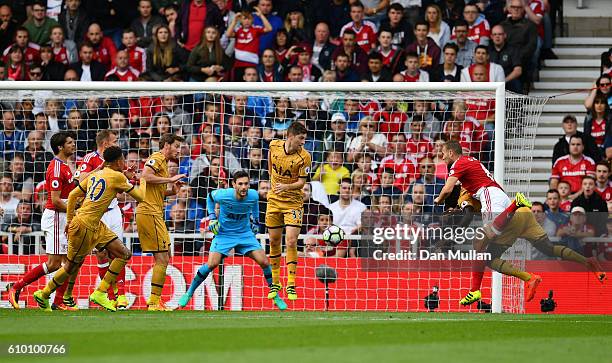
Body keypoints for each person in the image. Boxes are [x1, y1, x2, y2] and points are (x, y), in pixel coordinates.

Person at [32, 146, 144, 312]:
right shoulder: (117, 176)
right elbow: (141, 197)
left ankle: (99, 292)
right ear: (119, 161)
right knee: (71, 266)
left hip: (95, 225)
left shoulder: (97, 174)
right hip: (85, 225)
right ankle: (44, 293)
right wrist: (144, 179)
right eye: (123, 159)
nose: (125, 163)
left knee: (124, 254)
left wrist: (70, 220)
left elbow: (72, 196)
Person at [455, 191, 606, 306]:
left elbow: (469, 212)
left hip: (511, 220)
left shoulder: (465, 190)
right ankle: (588, 261)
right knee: (549, 248)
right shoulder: (481, 181)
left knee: (488, 258)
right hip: (525, 213)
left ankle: (529, 278)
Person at [178, 170, 286, 309]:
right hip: (224, 234)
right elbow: (209, 198)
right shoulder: (224, 195)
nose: (244, 187)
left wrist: (256, 222)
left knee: (264, 261)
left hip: (244, 234)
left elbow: (255, 206)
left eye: (246, 184)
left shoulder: (253, 195)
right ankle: (189, 293)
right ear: (233, 184)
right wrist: (212, 218)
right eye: (240, 184)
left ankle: (275, 296)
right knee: (211, 264)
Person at [7, 132, 78, 310]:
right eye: (69, 143)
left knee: (67, 262)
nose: (73, 145)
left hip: (63, 217)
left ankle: (57, 301)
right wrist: (75, 210)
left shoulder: (65, 165)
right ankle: (16, 287)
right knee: (56, 263)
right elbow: (54, 200)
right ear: (60, 147)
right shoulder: (55, 168)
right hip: (56, 217)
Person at [77, 130, 130, 309]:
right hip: (96, 214)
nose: (117, 143)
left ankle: (121, 295)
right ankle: (107, 295)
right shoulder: (90, 158)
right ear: (106, 143)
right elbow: (82, 179)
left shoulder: (117, 159)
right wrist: (100, 169)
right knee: (101, 254)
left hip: (113, 210)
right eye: (115, 140)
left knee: (119, 251)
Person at [136, 134, 186, 311]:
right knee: (163, 257)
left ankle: (155, 301)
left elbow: (155, 190)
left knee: (165, 256)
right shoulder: (157, 158)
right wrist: (169, 180)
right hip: (149, 212)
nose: (179, 150)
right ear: (166, 145)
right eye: (176, 146)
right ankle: (154, 302)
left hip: (153, 212)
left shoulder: (163, 163)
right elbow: (145, 176)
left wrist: (172, 190)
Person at [266, 122, 312, 302]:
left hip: (293, 202)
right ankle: (275, 282)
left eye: (305, 139)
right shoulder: (274, 145)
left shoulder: (305, 157)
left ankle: (291, 284)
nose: (303, 142)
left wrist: (285, 186)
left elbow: (301, 183)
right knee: (273, 240)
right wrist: (273, 181)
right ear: (290, 136)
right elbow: (270, 161)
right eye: (301, 138)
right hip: (274, 200)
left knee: (291, 241)